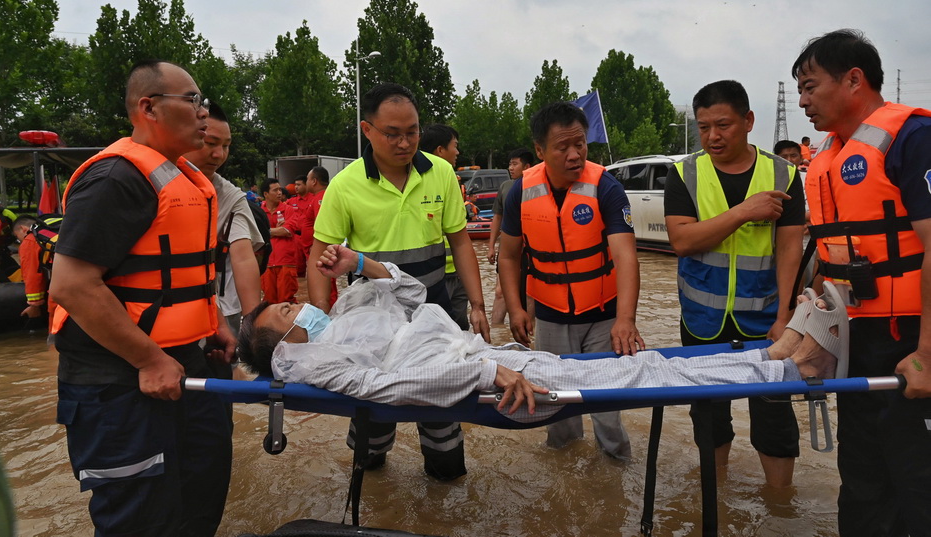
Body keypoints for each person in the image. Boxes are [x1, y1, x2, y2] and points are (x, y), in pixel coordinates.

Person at [238, 245, 845, 423]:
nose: (298, 306)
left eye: (291, 303)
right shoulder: (312, 363)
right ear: (282, 346)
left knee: (642, 364)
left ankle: (774, 354)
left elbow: (414, 294)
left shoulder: (343, 316)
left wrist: (360, 266)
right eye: (285, 314)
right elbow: (389, 387)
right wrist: (485, 372)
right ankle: (790, 368)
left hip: (481, 355)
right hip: (483, 379)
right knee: (636, 371)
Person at [48, 60, 234, 536]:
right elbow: (71, 284)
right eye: (192, 101)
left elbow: (174, 275)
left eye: (203, 102)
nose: (203, 113)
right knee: (141, 521)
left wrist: (212, 325)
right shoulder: (116, 178)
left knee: (199, 500)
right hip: (119, 384)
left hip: (183, 367)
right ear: (149, 107)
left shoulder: (186, 179)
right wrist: (149, 359)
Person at [306, 82, 489, 481]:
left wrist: (477, 304)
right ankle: (371, 474)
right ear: (367, 130)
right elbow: (319, 256)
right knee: (371, 431)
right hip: (374, 323)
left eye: (413, 131)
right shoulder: (345, 184)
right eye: (393, 133)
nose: (405, 142)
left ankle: (443, 473)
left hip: (435, 313)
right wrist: (321, 324)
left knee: (443, 419)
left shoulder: (440, 173)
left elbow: (460, 242)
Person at [793, 28, 931, 535]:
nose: (804, 101)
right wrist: (809, 330)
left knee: (918, 479)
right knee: (863, 480)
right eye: (800, 91)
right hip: (859, 341)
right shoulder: (826, 158)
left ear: (854, 79)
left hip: (915, 338)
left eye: (810, 87)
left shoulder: (912, 138)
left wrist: (929, 353)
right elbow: (831, 262)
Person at [663, 79, 805, 488]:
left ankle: (780, 504)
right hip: (701, 320)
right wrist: (744, 211)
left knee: (775, 413)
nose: (712, 136)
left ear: (748, 121)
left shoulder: (783, 174)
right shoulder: (684, 174)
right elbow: (683, 241)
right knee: (707, 414)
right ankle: (716, 491)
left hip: (765, 321)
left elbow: (790, 252)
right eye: (704, 127)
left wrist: (786, 318)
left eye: (722, 125)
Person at [498, 101, 642, 460]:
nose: (575, 154)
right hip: (549, 317)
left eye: (580, 144)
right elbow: (509, 255)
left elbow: (626, 256)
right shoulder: (520, 192)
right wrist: (516, 309)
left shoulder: (606, 187)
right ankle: (563, 478)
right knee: (556, 410)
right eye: (563, 147)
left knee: (607, 409)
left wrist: (625, 319)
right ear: (540, 151)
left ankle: (615, 472)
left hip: (603, 316)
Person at [182, 102, 264, 334]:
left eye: (226, 146)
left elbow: (243, 259)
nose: (219, 155)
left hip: (223, 313)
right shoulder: (148, 183)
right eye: (210, 143)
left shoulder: (230, 197)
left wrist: (253, 326)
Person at [419, 123, 470, 330]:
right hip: (436, 276)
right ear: (440, 150)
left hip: (457, 271)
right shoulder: (418, 182)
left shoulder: (450, 179)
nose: (457, 152)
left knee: (460, 328)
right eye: (454, 146)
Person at [487, 148, 534, 325]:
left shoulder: (538, 187)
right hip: (507, 247)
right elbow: (497, 216)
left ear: (527, 166)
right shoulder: (505, 187)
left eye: (515, 164)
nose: (510, 168)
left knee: (530, 294)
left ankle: (530, 331)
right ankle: (495, 333)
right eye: (510, 164)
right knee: (501, 292)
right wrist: (491, 246)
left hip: (531, 247)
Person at [259, 177, 302, 304]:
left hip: (286, 261)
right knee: (269, 300)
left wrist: (266, 231)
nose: (279, 193)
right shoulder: (259, 212)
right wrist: (276, 230)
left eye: (279, 189)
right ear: (266, 194)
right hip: (266, 263)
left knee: (287, 300)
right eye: (275, 190)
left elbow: (288, 230)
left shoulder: (288, 209)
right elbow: (254, 233)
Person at [298, 166, 337, 306]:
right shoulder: (318, 197)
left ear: (314, 181)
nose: (306, 182)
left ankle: (328, 316)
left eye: (308, 179)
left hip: (319, 252)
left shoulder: (322, 198)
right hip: (314, 251)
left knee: (326, 285)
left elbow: (324, 225)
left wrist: (314, 248)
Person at [11, 215, 52, 327]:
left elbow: (32, 274)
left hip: (64, 286)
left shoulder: (30, 240)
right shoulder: (50, 232)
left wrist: (34, 306)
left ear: (23, 229)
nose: (19, 241)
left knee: (55, 328)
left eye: (17, 237)